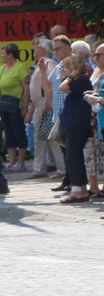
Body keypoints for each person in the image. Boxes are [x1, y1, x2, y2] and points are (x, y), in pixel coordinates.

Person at [58, 54, 93, 204]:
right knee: (74, 155)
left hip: (77, 123)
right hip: (73, 122)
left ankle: (77, 190)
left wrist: (71, 76)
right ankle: (82, 190)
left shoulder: (82, 80)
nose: (64, 71)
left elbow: (62, 87)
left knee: (73, 156)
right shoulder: (79, 80)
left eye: (66, 68)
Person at [27, 40, 63, 179]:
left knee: (49, 135)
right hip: (39, 103)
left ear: (43, 50)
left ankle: (60, 168)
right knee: (41, 136)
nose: (35, 50)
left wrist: (49, 99)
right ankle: (39, 168)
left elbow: (52, 83)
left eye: (37, 48)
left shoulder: (48, 63)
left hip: (45, 102)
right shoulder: (40, 64)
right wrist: (31, 110)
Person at [0, 44, 31, 171]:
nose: (1, 56)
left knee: (18, 132)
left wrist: (25, 106)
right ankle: (12, 161)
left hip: (16, 105)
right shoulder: (1, 68)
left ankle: (21, 163)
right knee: (8, 133)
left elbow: (26, 88)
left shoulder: (20, 68)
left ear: (11, 55)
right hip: (3, 105)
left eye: (3, 54)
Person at [45, 36, 74, 190]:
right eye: (54, 49)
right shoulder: (58, 66)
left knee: (70, 149)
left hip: (69, 112)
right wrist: (43, 70)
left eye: (58, 48)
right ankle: (68, 179)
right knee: (64, 149)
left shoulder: (74, 63)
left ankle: (73, 181)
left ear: (68, 47)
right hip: (59, 113)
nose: (55, 51)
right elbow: (48, 86)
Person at [84, 44, 104, 198]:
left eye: (98, 55)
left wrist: (95, 99)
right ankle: (94, 185)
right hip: (94, 118)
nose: (95, 58)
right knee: (91, 152)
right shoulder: (97, 71)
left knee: (100, 153)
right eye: (94, 55)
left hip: (99, 117)